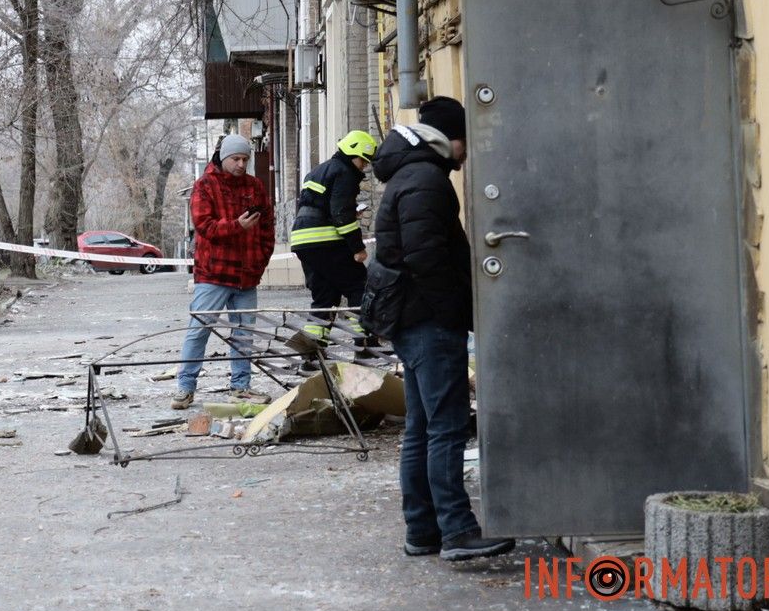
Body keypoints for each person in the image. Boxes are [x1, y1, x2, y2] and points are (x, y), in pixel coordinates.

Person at [369, 96, 514, 561]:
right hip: (428, 321)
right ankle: (456, 532)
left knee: (422, 427)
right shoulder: (427, 180)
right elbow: (425, 256)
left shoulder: (410, 174)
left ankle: (423, 531)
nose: (468, 154)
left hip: (411, 318)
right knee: (447, 426)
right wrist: (454, 313)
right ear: (452, 139)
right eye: (467, 142)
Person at [171, 134, 275, 410]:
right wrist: (237, 226)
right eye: (236, 159)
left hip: (247, 276)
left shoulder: (255, 187)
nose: (241, 164)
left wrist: (260, 261)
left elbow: (267, 227)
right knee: (199, 329)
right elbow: (205, 227)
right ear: (223, 158)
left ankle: (241, 387)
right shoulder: (205, 186)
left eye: (245, 159)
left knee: (244, 335)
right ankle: (185, 387)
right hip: (214, 274)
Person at [290, 130, 378, 353]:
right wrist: (357, 248)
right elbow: (340, 214)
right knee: (358, 286)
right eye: (363, 160)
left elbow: (320, 205)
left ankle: (312, 351)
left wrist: (343, 214)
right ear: (352, 154)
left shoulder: (322, 169)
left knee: (325, 295)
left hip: (303, 239)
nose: (364, 167)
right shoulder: (345, 172)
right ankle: (365, 343)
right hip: (325, 240)